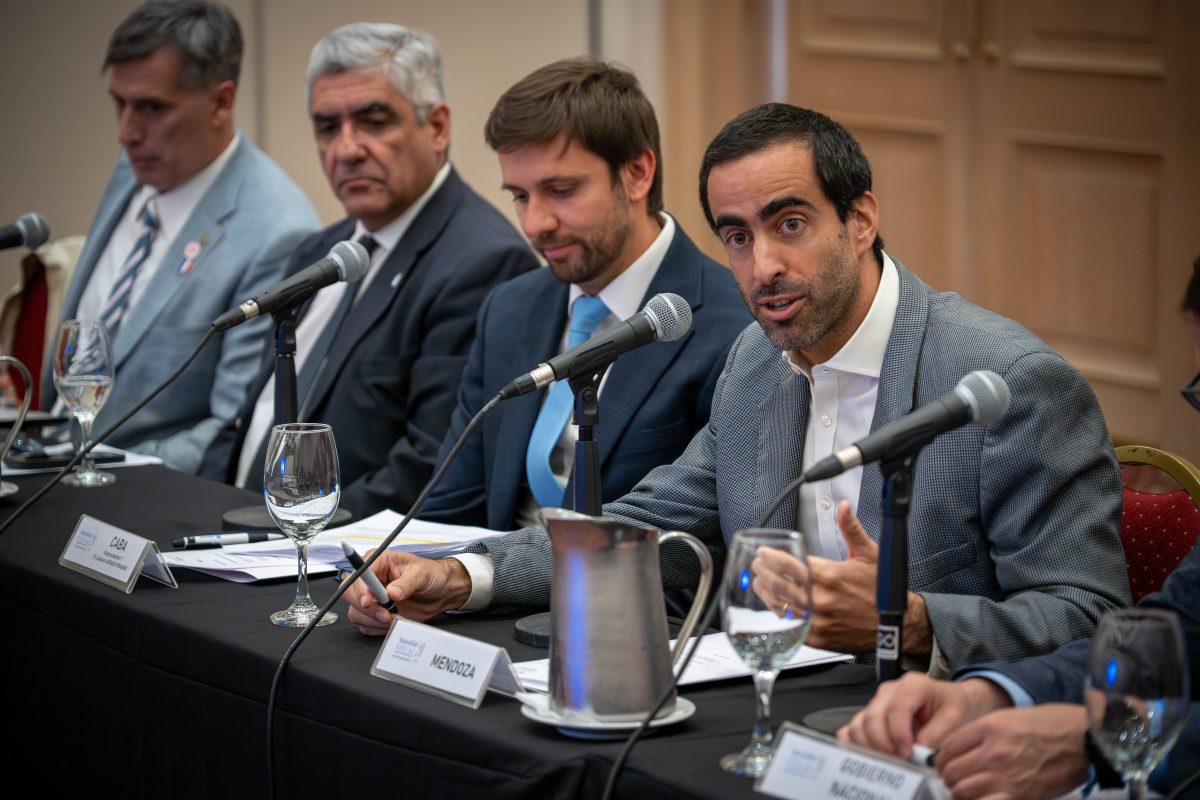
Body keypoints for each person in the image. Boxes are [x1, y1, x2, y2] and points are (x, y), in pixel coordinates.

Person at [343, 103, 1128, 675]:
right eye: (737, 237)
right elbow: (646, 527)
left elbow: (1094, 617)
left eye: (790, 225)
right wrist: (465, 575)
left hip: (939, 732)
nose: (762, 268)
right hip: (766, 705)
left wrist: (913, 621)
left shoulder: (1007, 385)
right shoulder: (757, 362)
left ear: (861, 219)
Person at [839, 257, 1200, 800]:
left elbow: (1084, 613)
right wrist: (991, 693)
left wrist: (1099, 740)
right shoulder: (757, 361)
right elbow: (1176, 639)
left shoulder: (1019, 378)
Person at [412, 57, 749, 576]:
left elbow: (702, 558)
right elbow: (450, 511)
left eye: (561, 191)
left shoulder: (733, 326)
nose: (535, 223)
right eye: (519, 196)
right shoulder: (509, 309)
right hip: (482, 600)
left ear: (637, 173)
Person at [199, 23, 537, 517]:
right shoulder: (319, 251)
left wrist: (286, 530)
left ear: (437, 127)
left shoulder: (482, 262)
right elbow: (249, 419)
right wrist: (204, 506)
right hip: (234, 527)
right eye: (327, 128)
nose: (346, 149)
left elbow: (428, 467)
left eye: (373, 122)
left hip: (337, 549)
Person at [44, 0, 318, 473]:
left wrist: (84, 469)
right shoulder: (139, 165)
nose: (127, 132)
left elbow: (228, 432)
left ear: (221, 102)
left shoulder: (278, 231)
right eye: (120, 103)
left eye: (153, 108)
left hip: (132, 488)